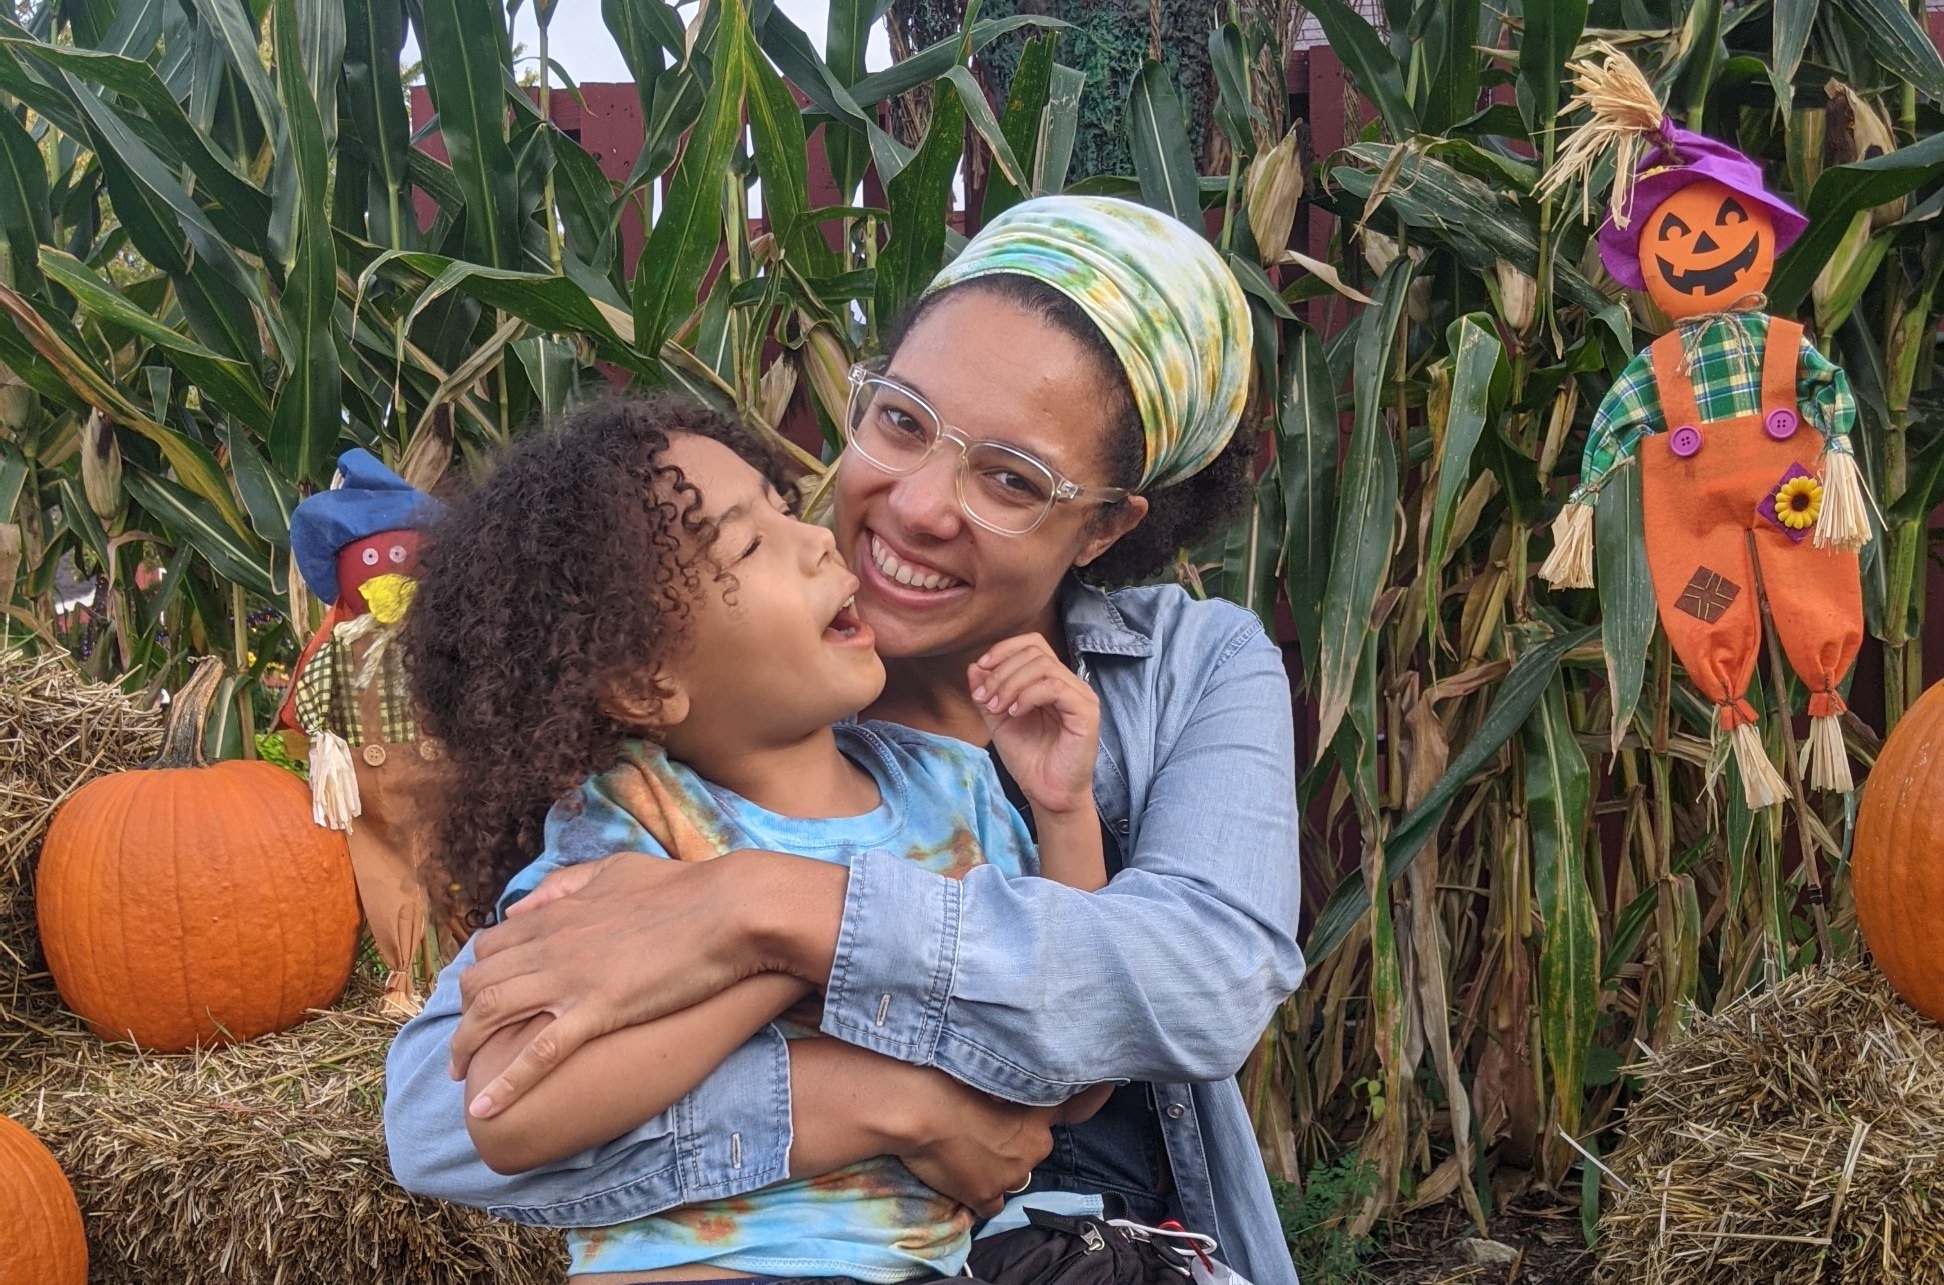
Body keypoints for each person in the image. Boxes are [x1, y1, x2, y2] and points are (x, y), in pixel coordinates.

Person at [385, 195, 1307, 1285]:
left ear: (1107, 525)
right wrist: (873, 1099)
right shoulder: (699, 731)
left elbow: (1198, 981)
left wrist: (760, 910)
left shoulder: (1190, 669)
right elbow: (449, 1119)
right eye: (903, 422)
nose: (915, 507)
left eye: (1012, 479)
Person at [391, 395, 1114, 1280]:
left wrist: (1063, 812)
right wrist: (780, 956)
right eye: (747, 543)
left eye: (783, 507)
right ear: (645, 681)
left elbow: (1077, 1074)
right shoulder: (633, 824)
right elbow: (510, 1113)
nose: (815, 540)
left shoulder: (951, 790)